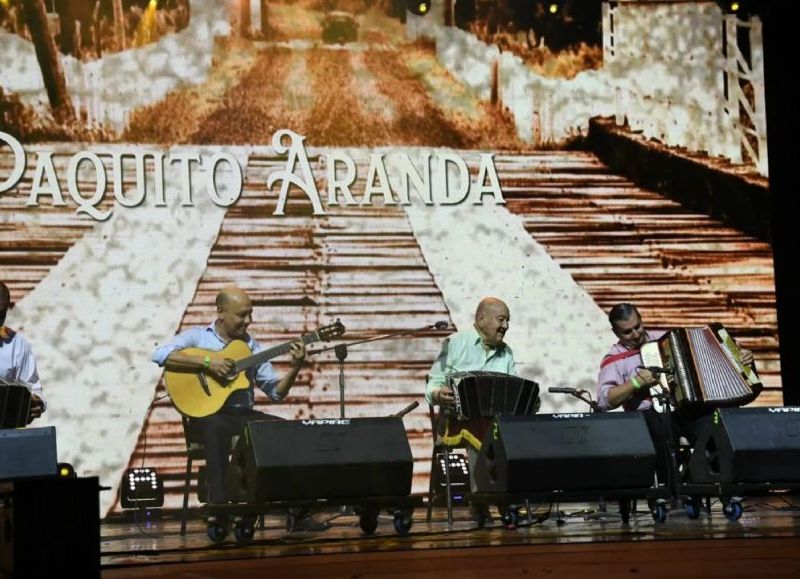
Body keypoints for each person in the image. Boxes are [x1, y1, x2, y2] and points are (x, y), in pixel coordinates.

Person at [152, 286, 326, 532]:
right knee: (215, 428)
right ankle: (220, 509)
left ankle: (297, 510)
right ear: (221, 313)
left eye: (250, 314)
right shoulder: (198, 338)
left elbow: (276, 393)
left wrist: (295, 367)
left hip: (241, 416)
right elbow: (159, 354)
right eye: (242, 315)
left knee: (288, 431)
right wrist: (208, 361)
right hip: (206, 415)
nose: (248, 321)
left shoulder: (252, 347)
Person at [596, 303, 754, 412]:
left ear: (641, 319)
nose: (636, 334)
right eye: (628, 332)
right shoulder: (614, 359)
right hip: (649, 416)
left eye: (638, 326)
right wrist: (637, 382)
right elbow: (603, 402)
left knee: (722, 416)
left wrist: (738, 357)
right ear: (616, 333)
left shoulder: (667, 338)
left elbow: (708, 353)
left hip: (687, 409)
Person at [0, 281, 45, 423]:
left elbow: (34, 389)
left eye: (0, 315)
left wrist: (36, 401)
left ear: (7, 309)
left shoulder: (18, 346)